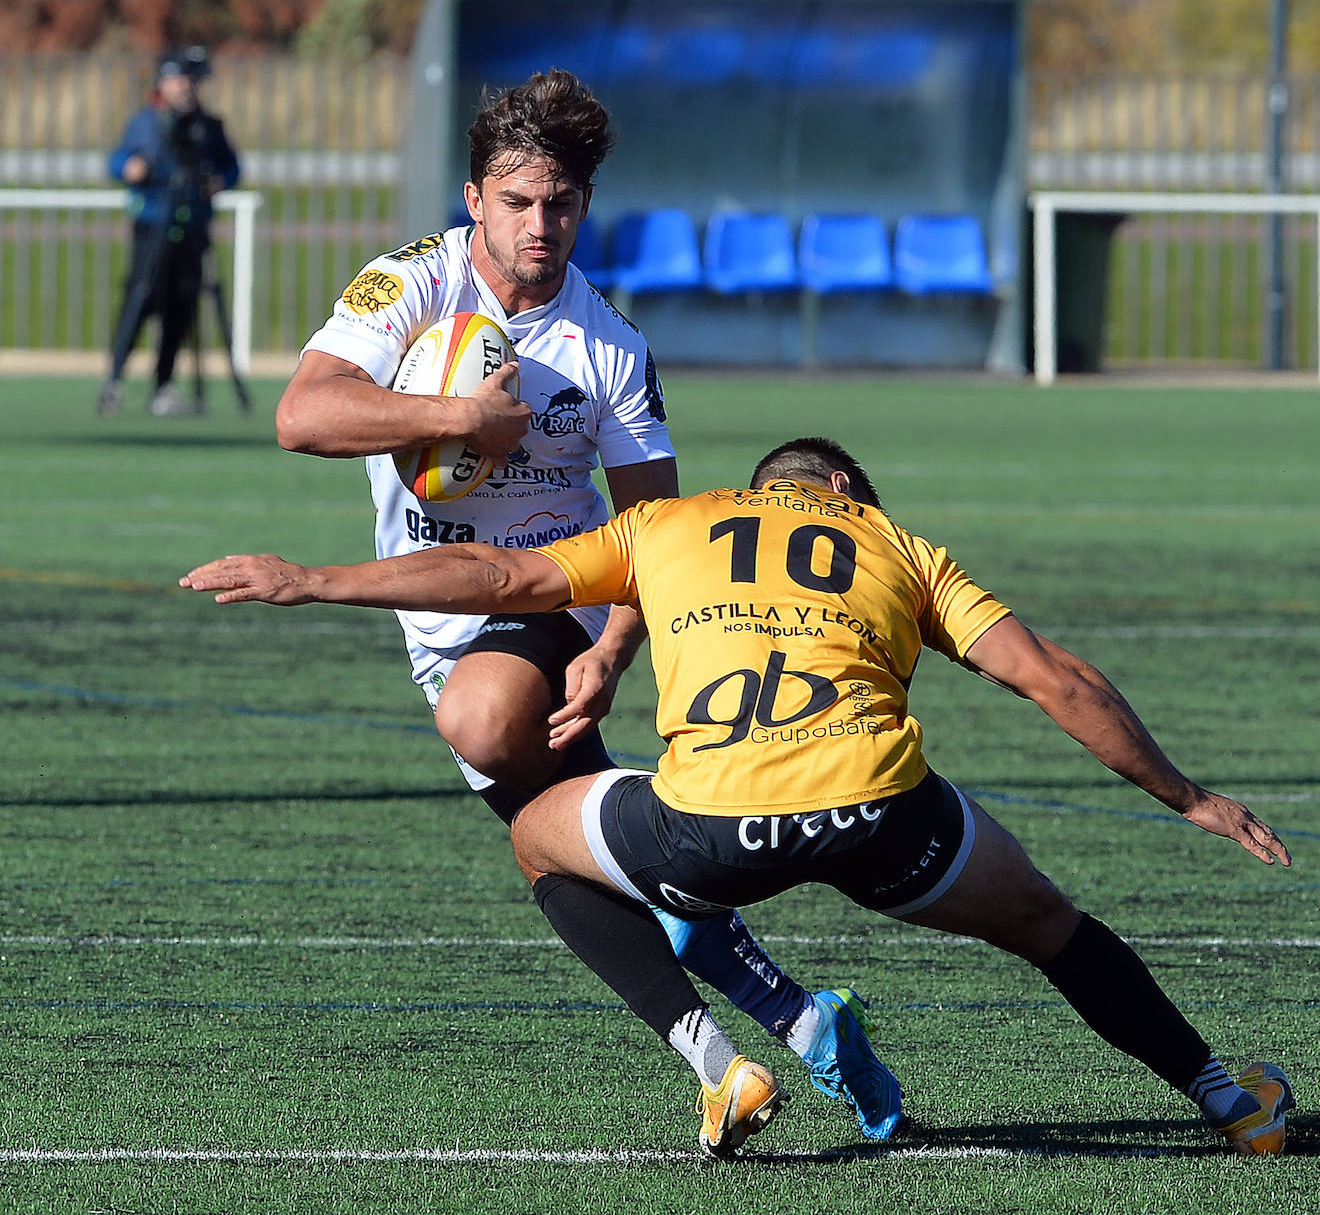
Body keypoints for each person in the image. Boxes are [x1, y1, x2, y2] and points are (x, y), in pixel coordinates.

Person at [182, 436, 1295, 1161]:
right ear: (848, 493)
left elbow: (497, 575)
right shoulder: (902, 548)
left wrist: (311, 577)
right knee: (1053, 927)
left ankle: (720, 1065)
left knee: (536, 839)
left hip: (710, 828)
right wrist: (1187, 795)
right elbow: (1058, 679)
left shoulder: (669, 525)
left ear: (759, 490)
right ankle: (1227, 1099)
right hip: (883, 814)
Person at [265, 71, 902, 1142]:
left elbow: (658, 532)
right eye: (517, 203)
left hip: (550, 611)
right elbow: (302, 414)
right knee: (562, 852)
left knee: (485, 736)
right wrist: (458, 413)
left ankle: (755, 1024)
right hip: (437, 623)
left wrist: (609, 649)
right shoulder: (407, 285)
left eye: (560, 204)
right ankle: (772, 1037)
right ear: (475, 201)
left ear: (583, 208)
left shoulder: (608, 345)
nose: (539, 225)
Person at [99, 46, 241, 417]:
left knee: (182, 305)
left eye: (193, 81)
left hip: (190, 227)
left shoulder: (208, 127)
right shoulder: (146, 122)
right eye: (180, 80)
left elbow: (231, 168)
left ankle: (163, 385)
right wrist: (130, 168)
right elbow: (117, 161)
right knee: (141, 297)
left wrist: (219, 182)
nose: (187, 88)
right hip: (152, 224)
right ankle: (113, 382)